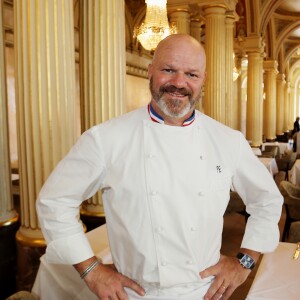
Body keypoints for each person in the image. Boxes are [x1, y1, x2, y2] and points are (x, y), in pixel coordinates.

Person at [36, 34, 283, 300]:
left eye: (191, 74)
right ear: (150, 72)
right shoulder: (106, 138)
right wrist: (91, 270)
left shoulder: (227, 140)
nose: (179, 83)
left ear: (204, 80)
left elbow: (267, 201)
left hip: (204, 291)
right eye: (168, 70)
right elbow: (54, 202)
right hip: (132, 293)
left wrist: (244, 263)